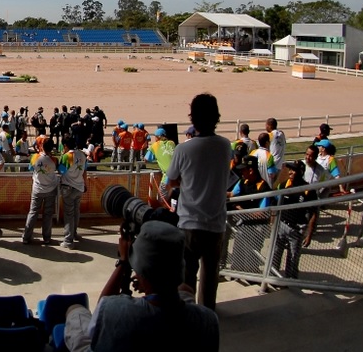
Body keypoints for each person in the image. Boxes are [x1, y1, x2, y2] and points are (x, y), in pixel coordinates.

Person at [63, 220, 219, 352]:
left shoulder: (113, 311)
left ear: (141, 273)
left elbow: (100, 318)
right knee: (185, 291)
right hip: (172, 315)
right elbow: (176, 287)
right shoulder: (209, 321)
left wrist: (123, 262)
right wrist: (153, 284)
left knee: (75, 310)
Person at [166, 93, 233, 311]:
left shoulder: (184, 149)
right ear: (216, 117)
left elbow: (171, 181)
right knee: (210, 277)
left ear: (193, 118)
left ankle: (187, 318)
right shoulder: (225, 145)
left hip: (189, 223)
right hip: (216, 223)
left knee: (186, 278)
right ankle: (207, 317)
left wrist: (187, 181)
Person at [273, 160, 319, 278]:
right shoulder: (283, 185)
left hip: (297, 229)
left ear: (300, 172)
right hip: (281, 225)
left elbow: (314, 212)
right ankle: (273, 276)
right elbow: (276, 204)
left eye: (293, 170)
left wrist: (309, 234)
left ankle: (290, 281)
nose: (290, 172)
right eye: (290, 170)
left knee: (293, 257)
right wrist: (273, 221)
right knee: (276, 253)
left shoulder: (308, 189)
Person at [228, 155, 273, 274]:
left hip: (257, 227)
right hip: (244, 224)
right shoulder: (243, 181)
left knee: (252, 254)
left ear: (251, 170)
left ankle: (252, 275)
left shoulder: (263, 187)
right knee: (238, 250)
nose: (241, 172)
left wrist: (240, 209)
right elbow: (232, 194)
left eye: (243, 169)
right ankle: (237, 272)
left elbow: (262, 214)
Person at [22, 137, 59, 245]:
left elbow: (30, 168)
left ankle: (26, 237)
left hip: (37, 189)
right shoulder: (55, 160)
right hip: (51, 190)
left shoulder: (35, 157)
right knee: (48, 214)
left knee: (33, 213)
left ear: (42, 146)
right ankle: (47, 238)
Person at [58, 136, 87, 248]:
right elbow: (84, 171)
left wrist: (61, 157)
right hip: (79, 187)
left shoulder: (67, 156)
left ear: (65, 146)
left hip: (68, 188)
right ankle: (74, 233)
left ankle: (68, 240)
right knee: (76, 212)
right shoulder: (82, 155)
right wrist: (85, 184)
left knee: (69, 214)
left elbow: (61, 171)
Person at [148, 127, 177, 202]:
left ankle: (165, 212)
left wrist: (156, 158)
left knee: (161, 199)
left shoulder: (155, 145)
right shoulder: (172, 143)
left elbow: (146, 159)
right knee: (174, 197)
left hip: (167, 177)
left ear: (157, 137)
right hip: (178, 176)